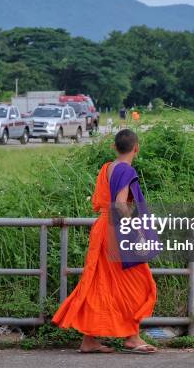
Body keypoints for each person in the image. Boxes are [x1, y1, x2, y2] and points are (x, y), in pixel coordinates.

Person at [52, 129, 157, 354]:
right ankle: (132, 337)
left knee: (101, 283)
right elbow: (120, 205)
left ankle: (90, 340)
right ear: (136, 147)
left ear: (114, 147)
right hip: (116, 231)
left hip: (102, 228)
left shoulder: (107, 168)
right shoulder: (126, 170)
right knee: (139, 283)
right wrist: (136, 231)